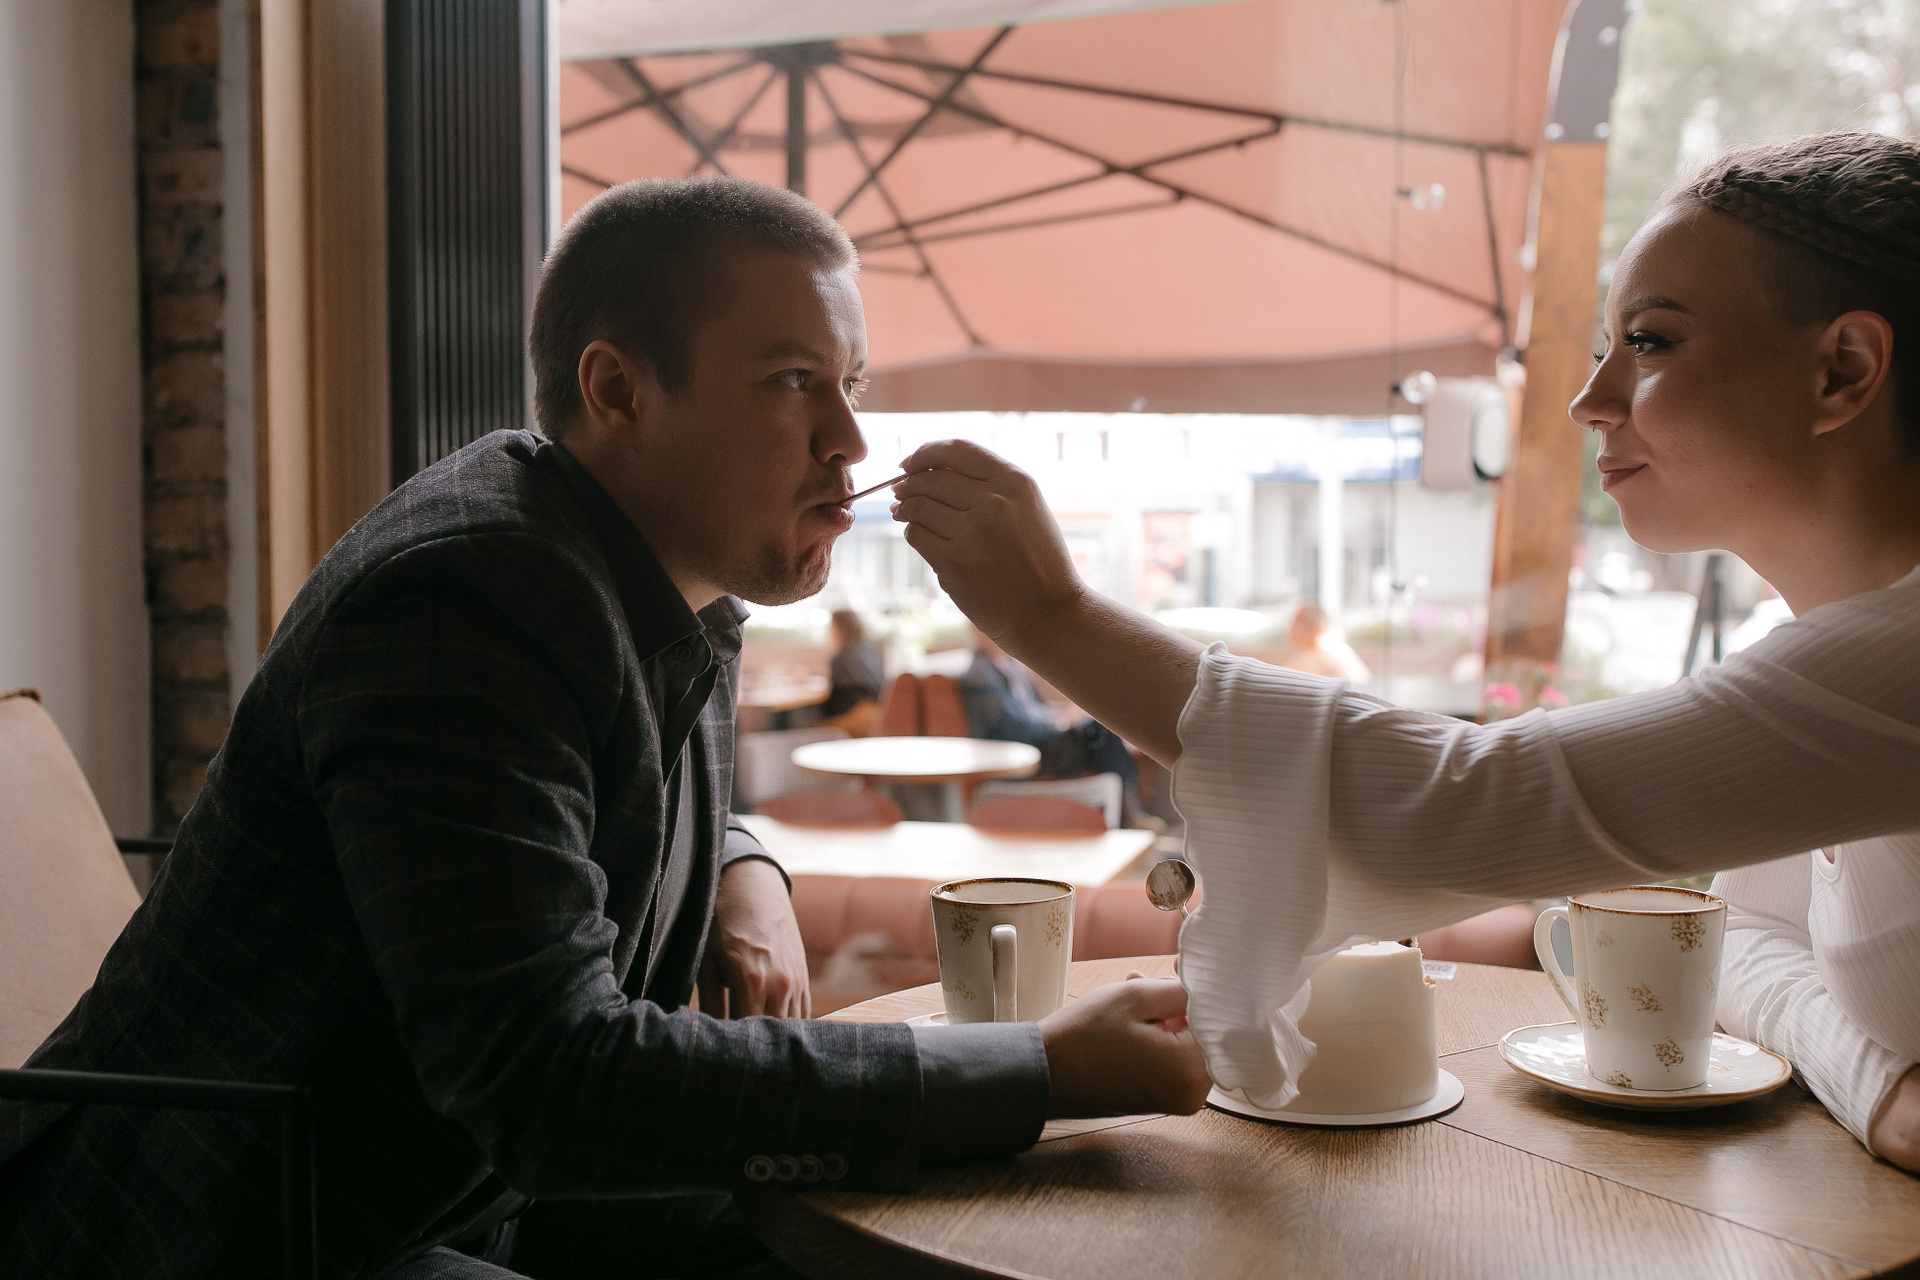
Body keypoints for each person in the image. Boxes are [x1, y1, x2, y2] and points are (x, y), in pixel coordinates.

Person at [0, 177, 1210, 1278]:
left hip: (453, 1179)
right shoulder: (464, 601)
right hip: (250, 1228)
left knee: (897, 1241)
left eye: (854, 384)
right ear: (619, 390)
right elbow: (554, 1081)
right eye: (795, 380)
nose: (850, 439)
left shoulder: (648, 577)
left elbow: (570, 790)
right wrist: (1036, 1068)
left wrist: (740, 860)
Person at [890, 133, 1920, 1170]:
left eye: (1650, 341)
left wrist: (1053, 615)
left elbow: (1460, 803)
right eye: (1605, 345)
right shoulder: (1831, 666)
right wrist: (1878, 1083)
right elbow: (1745, 941)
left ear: (1843, 370)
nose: (1590, 398)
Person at [959, 629, 1139, 800]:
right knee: (1099, 734)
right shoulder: (980, 675)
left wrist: (1062, 713)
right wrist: (1060, 721)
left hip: (1039, 739)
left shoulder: (1010, 665)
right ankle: (1128, 811)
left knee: (1097, 729)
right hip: (1023, 750)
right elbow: (1012, 726)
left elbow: (1035, 707)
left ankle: (1123, 808)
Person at [820, 608, 884, 735]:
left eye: (831, 627)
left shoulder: (840, 658)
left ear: (839, 630)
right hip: (877, 717)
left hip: (851, 720)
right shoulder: (868, 652)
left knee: (807, 722)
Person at [1274, 601, 1371, 682]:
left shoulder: (1319, 655)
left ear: (1314, 629)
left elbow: (1283, 682)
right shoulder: (1338, 647)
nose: (1290, 630)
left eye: (1295, 624)